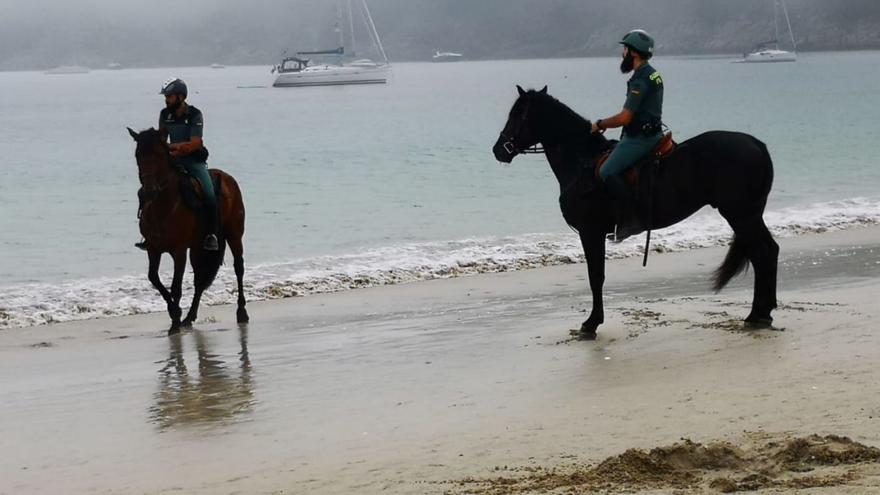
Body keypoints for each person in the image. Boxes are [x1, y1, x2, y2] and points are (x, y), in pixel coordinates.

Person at [590, 29, 664, 241]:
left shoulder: (640, 80)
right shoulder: (653, 73)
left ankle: (632, 221)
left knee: (606, 170)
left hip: (641, 138)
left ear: (634, 53)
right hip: (653, 131)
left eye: (625, 49)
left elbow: (624, 118)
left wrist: (600, 124)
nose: (622, 54)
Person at [136, 78, 219, 251]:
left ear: (181, 96)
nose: (166, 100)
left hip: (194, 161)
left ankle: (212, 235)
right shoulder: (164, 115)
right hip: (173, 160)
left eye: (170, 96)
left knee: (209, 194)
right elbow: (162, 139)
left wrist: (173, 147)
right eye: (166, 97)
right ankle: (148, 233)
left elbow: (196, 142)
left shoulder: (195, 114)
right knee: (145, 191)